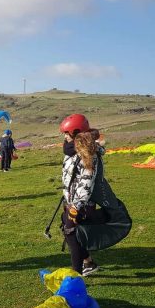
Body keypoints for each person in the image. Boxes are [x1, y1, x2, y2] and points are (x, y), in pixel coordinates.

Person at [60, 114, 102, 276]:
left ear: (76, 133)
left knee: (71, 234)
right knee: (67, 230)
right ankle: (89, 263)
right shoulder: (72, 150)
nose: (64, 137)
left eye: (66, 134)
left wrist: (76, 206)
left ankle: (75, 276)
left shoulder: (87, 153)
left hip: (81, 205)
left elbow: (86, 182)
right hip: (71, 200)